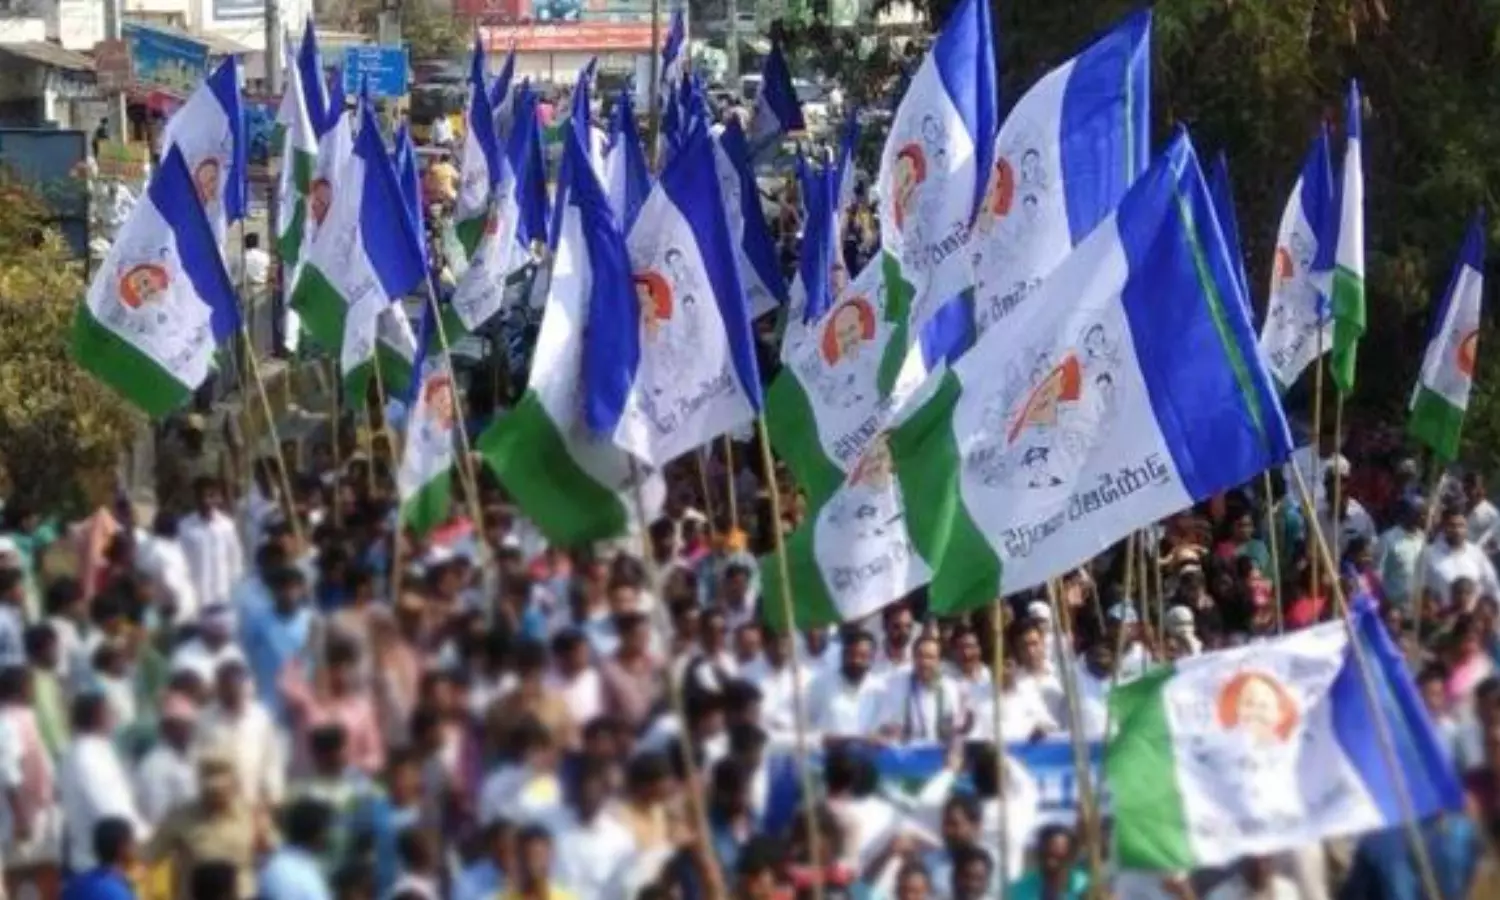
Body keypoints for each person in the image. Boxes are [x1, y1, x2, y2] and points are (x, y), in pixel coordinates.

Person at [143, 747, 269, 900]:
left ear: (234, 783)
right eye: (210, 790)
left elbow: (273, 853)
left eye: (221, 791)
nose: (215, 796)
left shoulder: (251, 814)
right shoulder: (180, 817)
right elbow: (147, 857)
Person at [59, 693, 143, 872]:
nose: (115, 718)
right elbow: (108, 810)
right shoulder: (85, 756)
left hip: (113, 853)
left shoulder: (96, 749)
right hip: (98, 861)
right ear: (98, 715)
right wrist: (138, 841)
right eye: (110, 712)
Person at [177, 478, 245, 614]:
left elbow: (235, 561)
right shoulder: (185, 526)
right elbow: (179, 562)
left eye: (211, 496)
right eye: (202, 497)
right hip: (195, 598)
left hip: (222, 597)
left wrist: (235, 590)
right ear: (195, 499)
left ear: (218, 498)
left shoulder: (227, 526)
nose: (206, 501)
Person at [1422, 507, 1500, 611]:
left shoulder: (1477, 554)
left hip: (1473, 621)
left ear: (1466, 528)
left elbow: (1493, 588)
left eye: (1461, 526)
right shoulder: (1429, 555)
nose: (1457, 530)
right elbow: (1421, 590)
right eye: (1452, 526)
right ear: (1443, 527)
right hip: (1443, 619)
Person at [259, 798, 335, 900]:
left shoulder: (306, 863)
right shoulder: (285, 871)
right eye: (326, 829)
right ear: (315, 832)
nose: (329, 835)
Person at [61, 817, 138, 900]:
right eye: (132, 842)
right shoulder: (117, 891)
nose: (135, 847)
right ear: (121, 847)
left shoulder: (75, 885)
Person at [499, 825, 575, 900]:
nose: (533, 865)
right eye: (526, 856)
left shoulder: (567, 897)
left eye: (538, 855)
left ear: (551, 857)